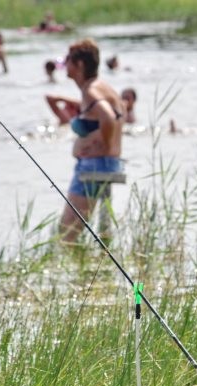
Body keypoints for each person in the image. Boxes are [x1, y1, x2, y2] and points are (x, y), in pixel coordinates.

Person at [58, 38, 125, 243]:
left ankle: (76, 272)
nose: (65, 65)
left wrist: (102, 145)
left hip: (94, 166)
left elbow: (109, 118)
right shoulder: (102, 87)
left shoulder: (92, 90)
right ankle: (95, 271)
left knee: (67, 234)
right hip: (105, 165)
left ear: (79, 65)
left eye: (68, 60)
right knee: (103, 234)